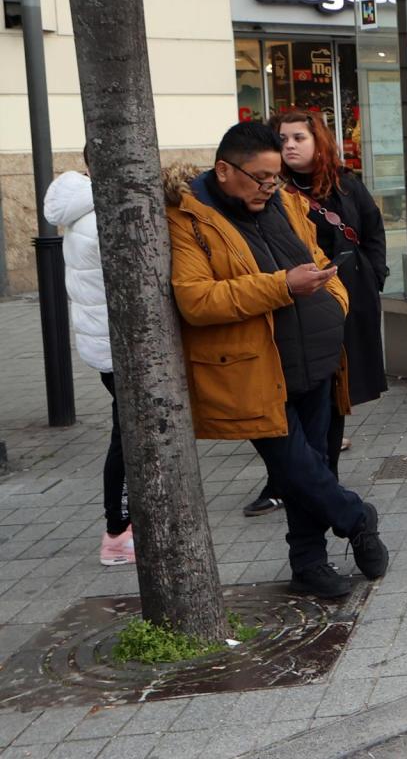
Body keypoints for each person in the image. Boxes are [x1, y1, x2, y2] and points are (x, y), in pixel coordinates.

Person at [165, 121, 388, 597]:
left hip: (320, 357)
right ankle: (355, 517)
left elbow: (312, 253)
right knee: (294, 468)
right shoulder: (188, 218)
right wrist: (282, 285)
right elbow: (196, 300)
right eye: (261, 178)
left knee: (314, 466)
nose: (270, 186)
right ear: (224, 171)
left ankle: (309, 563)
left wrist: (336, 299)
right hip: (253, 369)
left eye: (275, 177)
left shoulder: (283, 200)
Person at [272, 111, 387, 473]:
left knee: (338, 384)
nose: (289, 145)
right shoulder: (274, 190)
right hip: (301, 301)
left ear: (317, 142)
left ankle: (325, 469)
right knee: (310, 382)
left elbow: (372, 228)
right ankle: (306, 472)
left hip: (351, 294)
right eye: (283, 139)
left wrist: (375, 275)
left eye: (298, 138)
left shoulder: (346, 184)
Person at [44, 158, 131, 566]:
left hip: (106, 346)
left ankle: (121, 529)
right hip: (122, 346)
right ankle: (118, 532)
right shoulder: (105, 216)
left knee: (126, 434)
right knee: (127, 439)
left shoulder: (85, 209)